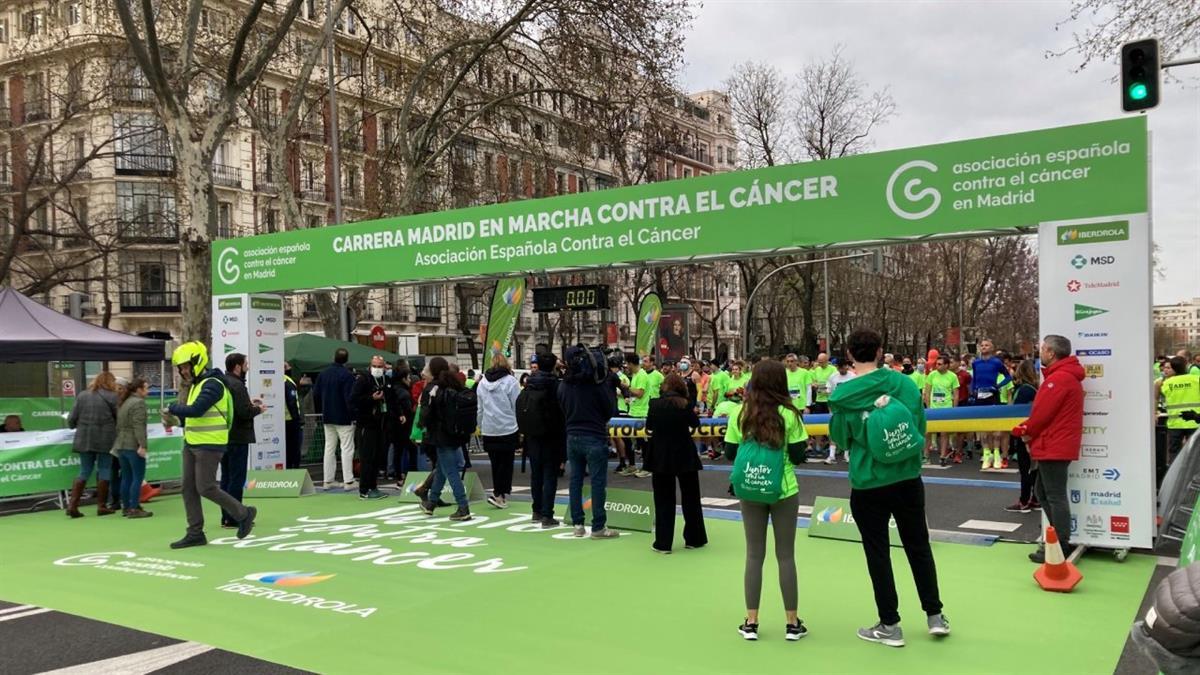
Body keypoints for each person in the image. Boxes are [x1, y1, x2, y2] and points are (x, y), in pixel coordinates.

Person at [828, 329, 948, 647]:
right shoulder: (904, 384)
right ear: (881, 351)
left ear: (849, 354)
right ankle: (935, 615)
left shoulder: (843, 396)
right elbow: (919, 424)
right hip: (907, 476)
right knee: (918, 546)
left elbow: (841, 440)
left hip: (868, 481)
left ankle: (889, 624)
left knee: (878, 553)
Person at [724, 359, 807, 641]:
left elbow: (729, 453)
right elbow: (798, 455)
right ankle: (792, 624)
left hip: (750, 487)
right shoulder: (790, 415)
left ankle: (751, 621)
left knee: (753, 555)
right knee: (786, 556)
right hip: (783, 489)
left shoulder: (740, 412)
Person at [165, 342, 256, 549]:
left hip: (210, 443)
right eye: (180, 368)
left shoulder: (213, 384)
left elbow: (197, 410)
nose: (183, 371)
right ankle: (195, 532)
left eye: (185, 366)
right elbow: (194, 417)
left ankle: (243, 513)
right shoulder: (197, 384)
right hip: (193, 442)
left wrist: (173, 408)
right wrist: (176, 421)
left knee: (205, 487)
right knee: (188, 488)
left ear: (197, 362)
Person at [1017, 335, 1084, 563]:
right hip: (1055, 442)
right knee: (1044, 492)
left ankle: (1060, 545)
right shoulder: (1063, 377)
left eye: (1043, 348)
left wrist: (1026, 429)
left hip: (1054, 443)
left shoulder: (1059, 379)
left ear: (1051, 353)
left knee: (1053, 495)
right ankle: (1058, 540)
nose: (1040, 352)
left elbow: (1041, 414)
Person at [558, 345, 620, 539]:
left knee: (575, 480)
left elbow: (562, 407)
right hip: (594, 435)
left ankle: (577, 523)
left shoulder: (564, 385)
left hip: (572, 435)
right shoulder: (596, 384)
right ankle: (598, 526)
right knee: (597, 482)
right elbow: (610, 410)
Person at [645, 374, 707, 553]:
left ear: (664, 386)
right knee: (691, 498)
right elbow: (695, 423)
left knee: (663, 499)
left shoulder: (655, 404)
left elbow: (649, 426)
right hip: (684, 453)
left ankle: (663, 543)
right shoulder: (685, 404)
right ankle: (694, 539)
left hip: (661, 455)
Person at [417, 357, 473, 521]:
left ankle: (463, 507)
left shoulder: (432, 388)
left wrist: (421, 426)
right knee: (442, 469)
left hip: (440, 435)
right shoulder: (453, 384)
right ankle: (431, 502)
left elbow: (426, 414)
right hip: (456, 433)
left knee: (450, 471)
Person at [518, 352, 566, 527]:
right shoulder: (556, 385)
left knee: (536, 474)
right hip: (552, 434)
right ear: (554, 366)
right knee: (550, 475)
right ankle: (547, 514)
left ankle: (536, 510)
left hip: (532, 433)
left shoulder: (529, 384)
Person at [65, 372, 120, 518]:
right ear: (110, 382)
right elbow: (119, 418)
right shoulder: (113, 396)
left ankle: (72, 505)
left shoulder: (82, 395)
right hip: (106, 438)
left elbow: (71, 418)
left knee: (84, 471)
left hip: (84, 437)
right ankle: (102, 506)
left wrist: (75, 425)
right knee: (104, 469)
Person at [221, 353, 266, 526]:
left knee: (226, 477)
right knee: (236, 479)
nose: (248, 366)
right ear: (238, 367)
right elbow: (243, 412)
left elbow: (236, 407)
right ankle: (235, 516)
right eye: (245, 364)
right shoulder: (237, 385)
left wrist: (249, 404)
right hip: (238, 437)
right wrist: (258, 409)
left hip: (224, 436)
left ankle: (226, 516)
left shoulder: (224, 382)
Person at [477, 354, 521, 508]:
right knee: (506, 463)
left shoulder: (482, 383)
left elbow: (480, 408)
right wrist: (519, 424)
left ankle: (498, 493)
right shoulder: (511, 382)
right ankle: (500, 494)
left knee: (495, 463)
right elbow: (516, 405)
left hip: (489, 428)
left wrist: (480, 425)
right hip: (508, 427)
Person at [351, 355, 395, 500]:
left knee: (376, 458)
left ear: (384, 367)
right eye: (374, 366)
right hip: (366, 424)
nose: (377, 368)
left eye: (379, 366)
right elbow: (354, 400)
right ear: (370, 366)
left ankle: (373, 486)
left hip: (380, 424)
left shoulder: (386, 380)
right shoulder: (363, 380)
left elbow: (391, 399)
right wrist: (371, 398)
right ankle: (364, 490)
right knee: (367, 458)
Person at [314, 348, 357, 489]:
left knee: (329, 447)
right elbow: (349, 398)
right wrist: (353, 415)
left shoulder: (323, 374)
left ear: (334, 357)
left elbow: (316, 394)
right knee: (347, 448)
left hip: (328, 415)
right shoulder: (347, 375)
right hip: (344, 417)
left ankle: (328, 480)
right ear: (347, 360)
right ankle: (348, 481)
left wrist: (323, 409)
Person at [112, 378, 152, 518]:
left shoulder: (124, 402)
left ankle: (127, 507)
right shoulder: (138, 403)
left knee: (126, 477)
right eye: (146, 388)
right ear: (139, 389)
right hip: (133, 445)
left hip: (121, 444)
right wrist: (143, 445)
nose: (148, 391)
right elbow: (139, 426)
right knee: (137, 477)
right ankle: (134, 507)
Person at [1004, 360, 1040, 513]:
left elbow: (1016, 412)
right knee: (1034, 468)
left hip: (1023, 431)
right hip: (1033, 431)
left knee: (1025, 468)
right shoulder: (1035, 388)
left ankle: (1024, 501)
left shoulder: (1024, 390)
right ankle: (1035, 498)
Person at [970, 339, 1012, 471]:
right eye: (982, 345)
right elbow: (974, 379)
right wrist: (973, 391)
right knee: (983, 427)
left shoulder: (996, 362)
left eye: (986, 345)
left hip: (993, 395)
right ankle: (986, 453)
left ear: (992, 348)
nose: (984, 347)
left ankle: (997, 454)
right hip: (979, 397)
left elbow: (1008, 377)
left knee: (995, 428)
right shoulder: (976, 363)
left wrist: (997, 386)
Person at [1161, 355, 1200, 470]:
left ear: (1173, 368)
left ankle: (1175, 474)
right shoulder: (1196, 379)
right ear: (1186, 365)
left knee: (1174, 452)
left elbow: (1164, 396)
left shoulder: (1167, 383)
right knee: (1196, 452)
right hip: (1194, 421)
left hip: (1175, 423)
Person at [923, 356, 961, 466]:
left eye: (940, 364)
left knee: (944, 433)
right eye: (936, 364)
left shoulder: (952, 376)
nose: (937, 366)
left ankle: (943, 456)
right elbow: (927, 392)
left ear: (946, 365)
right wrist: (928, 407)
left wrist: (954, 409)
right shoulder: (932, 375)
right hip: (933, 408)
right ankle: (926, 455)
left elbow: (956, 394)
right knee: (928, 432)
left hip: (946, 408)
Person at [387, 360, 417, 485]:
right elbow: (407, 409)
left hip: (395, 425)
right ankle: (410, 475)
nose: (410, 380)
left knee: (397, 451)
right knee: (410, 450)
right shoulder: (403, 392)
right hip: (404, 426)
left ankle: (399, 475)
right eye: (409, 377)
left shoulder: (393, 387)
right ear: (404, 378)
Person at [626, 354, 652, 478]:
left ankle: (647, 468)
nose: (626, 366)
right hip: (634, 411)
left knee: (644, 442)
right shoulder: (635, 375)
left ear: (631, 363)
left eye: (627, 364)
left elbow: (640, 393)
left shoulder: (641, 375)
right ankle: (633, 466)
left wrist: (626, 387)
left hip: (642, 413)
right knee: (633, 441)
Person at [284, 362, 302, 470]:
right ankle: (294, 470)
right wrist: (297, 419)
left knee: (287, 449)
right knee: (294, 449)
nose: (290, 368)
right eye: (288, 366)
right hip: (291, 421)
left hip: (284, 420)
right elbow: (292, 402)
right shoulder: (288, 382)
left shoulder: (278, 380)